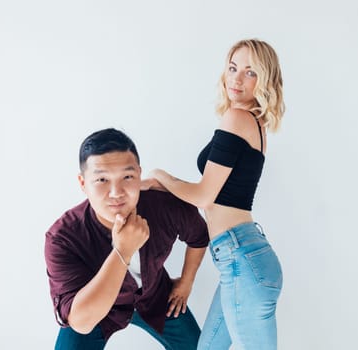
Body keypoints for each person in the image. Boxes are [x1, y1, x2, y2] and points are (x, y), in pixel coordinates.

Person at [142, 39, 285, 349]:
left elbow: (204, 196)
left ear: (265, 80)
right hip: (244, 256)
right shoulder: (252, 122)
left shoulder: (238, 119)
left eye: (249, 72)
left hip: (241, 258)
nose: (236, 78)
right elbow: (212, 194)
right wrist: (159, 185)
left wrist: (160, 176)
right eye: (233, 68)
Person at [44, 128, 209, 350]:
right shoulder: (63, 237)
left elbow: (199, 236)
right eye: (102, 179)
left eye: (127, 177)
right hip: (97, 309)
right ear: (83, 183)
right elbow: (81, 322)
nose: (116, 192)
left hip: (155, 298)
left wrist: (186, 282)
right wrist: (122, 251)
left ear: (139, 175)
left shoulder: (164, 206)